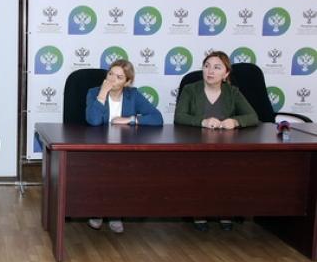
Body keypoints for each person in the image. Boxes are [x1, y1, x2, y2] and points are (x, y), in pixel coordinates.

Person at [174, 50, 259, 232]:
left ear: (226, 74)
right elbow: (179, 116)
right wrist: (202, 121)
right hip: (196, 146)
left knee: (227, 175)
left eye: (217, 67)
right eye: (207, 66)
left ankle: (224, 212)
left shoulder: (232, 92)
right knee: (200, 175)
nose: (210, 71)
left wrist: (235, 121)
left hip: (225, 146)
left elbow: (252, 116)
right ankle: (199, 213)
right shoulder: (191, 89)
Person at [85, 59, 164, 233]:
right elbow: (94, 121)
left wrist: (130, 120)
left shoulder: (133, 95)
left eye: (119, 77)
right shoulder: (94, 92)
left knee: (121, 172)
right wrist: (102, 93)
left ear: (127, 82)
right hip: (98, 148)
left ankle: (116, 213)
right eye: (110, 74)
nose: (112, 79)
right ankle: (97, 211)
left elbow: (157, 118)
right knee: (102, 171)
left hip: (123, 147)